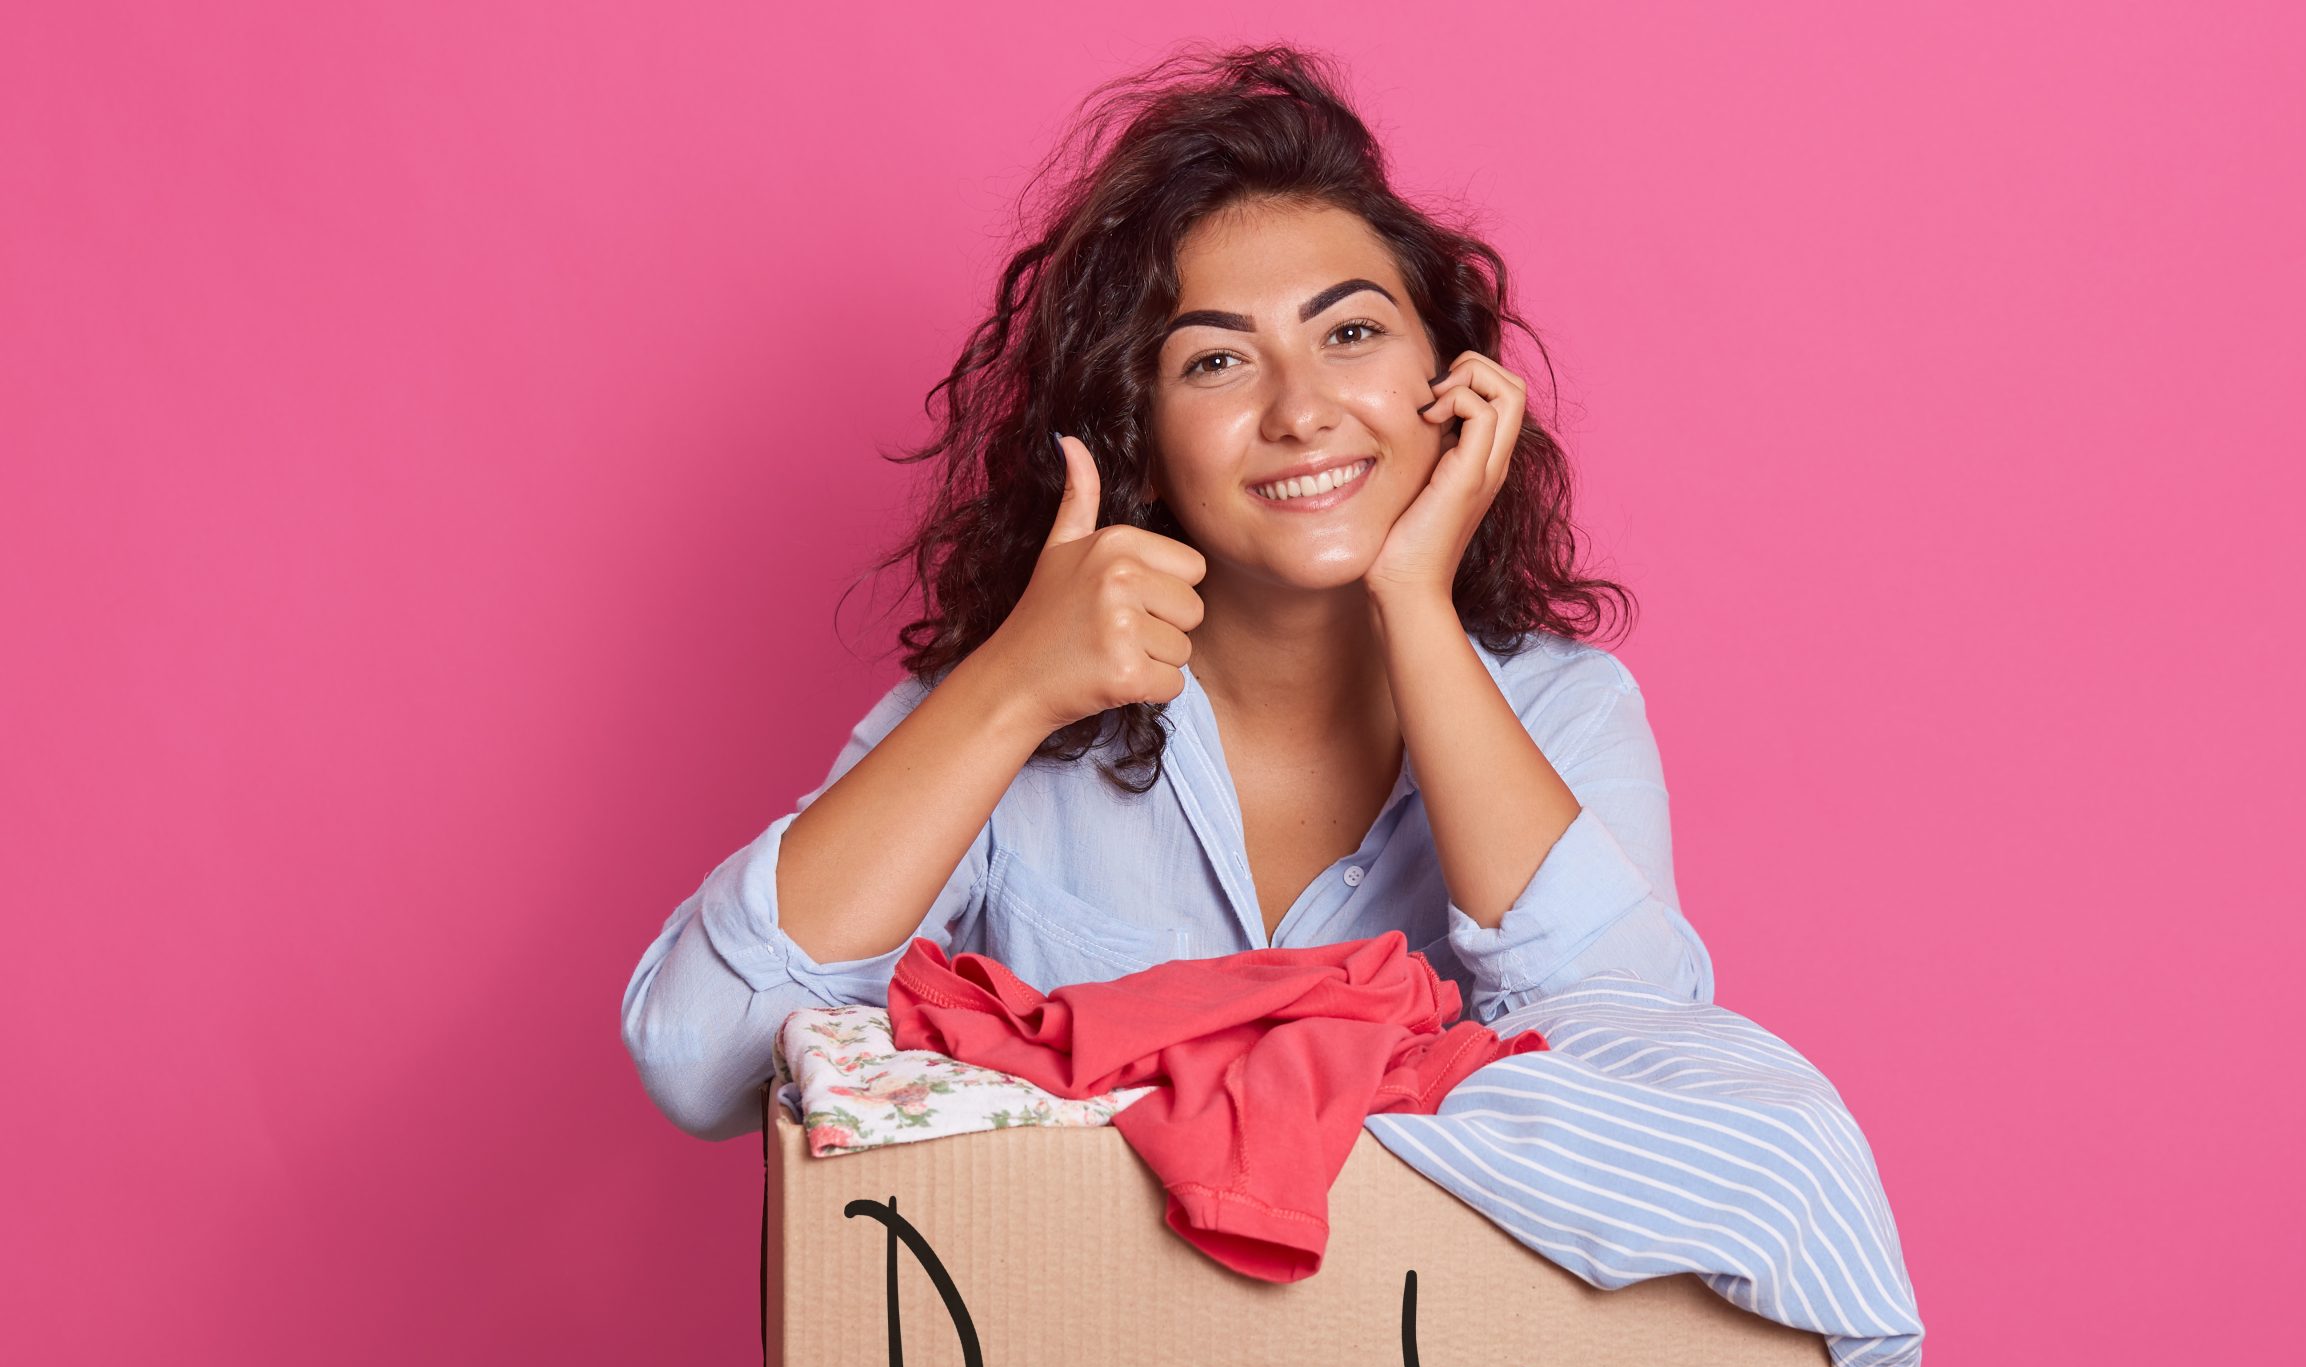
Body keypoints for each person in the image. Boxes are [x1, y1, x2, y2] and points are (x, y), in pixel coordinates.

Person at [623, 43, 1713, 1143]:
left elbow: (1639, 1084)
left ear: (1451, 375)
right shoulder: (1019, 706)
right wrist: (1006, 689)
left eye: (1351, 333)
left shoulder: (1562, 713)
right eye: (1215, 363)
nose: (1302, 410)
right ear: (1135, 430)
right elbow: (700, 1059)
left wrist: (1417, 610)